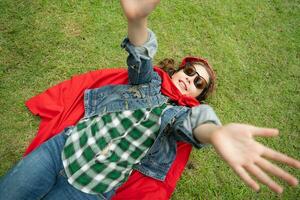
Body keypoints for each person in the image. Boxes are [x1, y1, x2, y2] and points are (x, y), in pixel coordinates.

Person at [0, 0, 299, 199]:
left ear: (198, 96)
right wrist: (138, 19)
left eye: (199, 83)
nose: (190, 79)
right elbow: (140, 55)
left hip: (90, 190)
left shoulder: (181, 117)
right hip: (60, 150)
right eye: (190, 71)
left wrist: (217, 133)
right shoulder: (151, 81)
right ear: (179, 69)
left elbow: (197, 123)